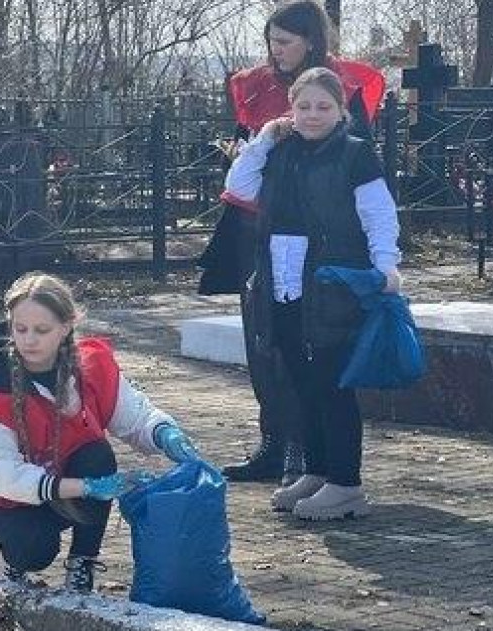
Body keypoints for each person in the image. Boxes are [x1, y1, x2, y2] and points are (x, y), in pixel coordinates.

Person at [199, 0, 385, 486]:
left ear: (310, 41)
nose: (275, 50)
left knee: (310, 346)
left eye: (284, 41)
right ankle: (273, 445)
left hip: (317, 238)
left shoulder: (339, 87)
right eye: (270, 41)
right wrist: (246, 150)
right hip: (257, 229)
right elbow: (241, 155)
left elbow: (359, 160)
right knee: (265, 342)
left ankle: (308, 453)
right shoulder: (256, 86)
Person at [0, 273, 203, 592]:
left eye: (42, 330)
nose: (29, 340)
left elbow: (134, 416)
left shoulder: (89, 367)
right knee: (34, 547)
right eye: (20, 329)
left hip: (62, 480)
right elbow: (4, 475)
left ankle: (83, 562)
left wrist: (164, 433)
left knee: (97, 455)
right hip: (4, 499)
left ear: (65, 327)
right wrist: (87, 487)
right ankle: (11, 563)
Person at [223, 66, 402, 520]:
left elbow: (378, 213)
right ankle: (317, 470)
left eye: (323, 106)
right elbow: (238, 186)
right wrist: (265, 137)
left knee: (331, 382)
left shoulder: (355, 154)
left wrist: (385, 266)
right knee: (299, 381)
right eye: (303, 106)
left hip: (331, 281)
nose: (312, 115)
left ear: (341, 110)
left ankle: (345, 483)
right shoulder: (281, 150)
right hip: (284, 279)